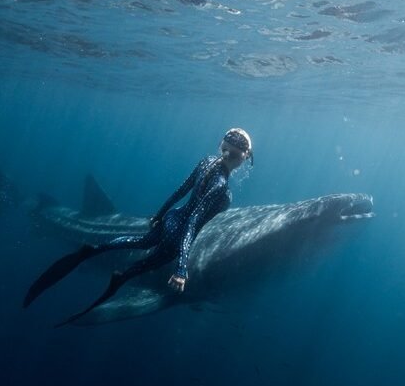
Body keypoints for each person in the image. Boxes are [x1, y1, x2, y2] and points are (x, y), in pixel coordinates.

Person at [23, 127, 253, 326]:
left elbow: (180, 191)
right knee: (147, 263)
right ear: (243, 157)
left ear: (221, 144)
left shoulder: (206, 161)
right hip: (179, 233)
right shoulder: (222, 187)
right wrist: (182, 269)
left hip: (170, 218)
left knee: (140, 241)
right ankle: (122, 277)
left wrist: (159, 215)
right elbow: (193, 222)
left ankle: (96, 248)